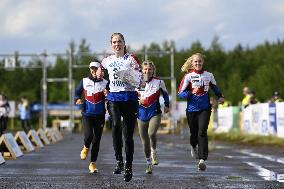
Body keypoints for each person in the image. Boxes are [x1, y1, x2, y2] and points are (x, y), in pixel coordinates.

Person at [101, 32, 142, 182]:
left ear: (124, 43)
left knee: (128, 136)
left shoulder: (131, 58)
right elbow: (100, 67)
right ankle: (118, 159)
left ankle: (128, 166)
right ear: (111, 45)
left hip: (130, 99)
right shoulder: (107, 60)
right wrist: (100, 71)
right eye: (114, 42)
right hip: (113, 99)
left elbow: (140, 78)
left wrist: (130, 76)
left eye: (119, 41)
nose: (117, 44)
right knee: (116, 125)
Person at [178, 53, 224, 171]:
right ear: (192, 63)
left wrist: (220, 96)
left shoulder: (209, 75)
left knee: (202, 132)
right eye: (195, 62)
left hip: (205, 108)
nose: (198, 63)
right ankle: (193, 146)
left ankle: (202, 159)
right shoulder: (188, 76)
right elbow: (180, 94)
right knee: (194, 133)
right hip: (192, 110)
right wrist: (190, 93)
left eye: (200, 61)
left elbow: (215, 88)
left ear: (203, 62)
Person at [137, 60, 170, 174]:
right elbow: (131, 95)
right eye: (145, 69)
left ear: (153, 71)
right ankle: (148, 163)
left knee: (151, 133)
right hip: (141, 114)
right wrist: (138, 101)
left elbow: (165, 93)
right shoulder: (136, 81)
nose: (147, 71)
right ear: (142, 70)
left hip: (154, 112)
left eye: (149, 69)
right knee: (144, 142)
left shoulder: (159, 82)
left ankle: (154, 151)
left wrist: (166, 105)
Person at [75, 61, 108, 173]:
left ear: (100, 70)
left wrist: (107, 94)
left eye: (96, 68)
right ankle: (85, 147)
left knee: (97, 140)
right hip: (87, 114)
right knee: (89, 136)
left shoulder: (105, 82)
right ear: (90, 69)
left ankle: (92, 164)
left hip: (100, 115)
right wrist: (77, 99)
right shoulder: (84, 81)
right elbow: (77, 92)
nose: (94, 70)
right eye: (92, 68)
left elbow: (111, 96)